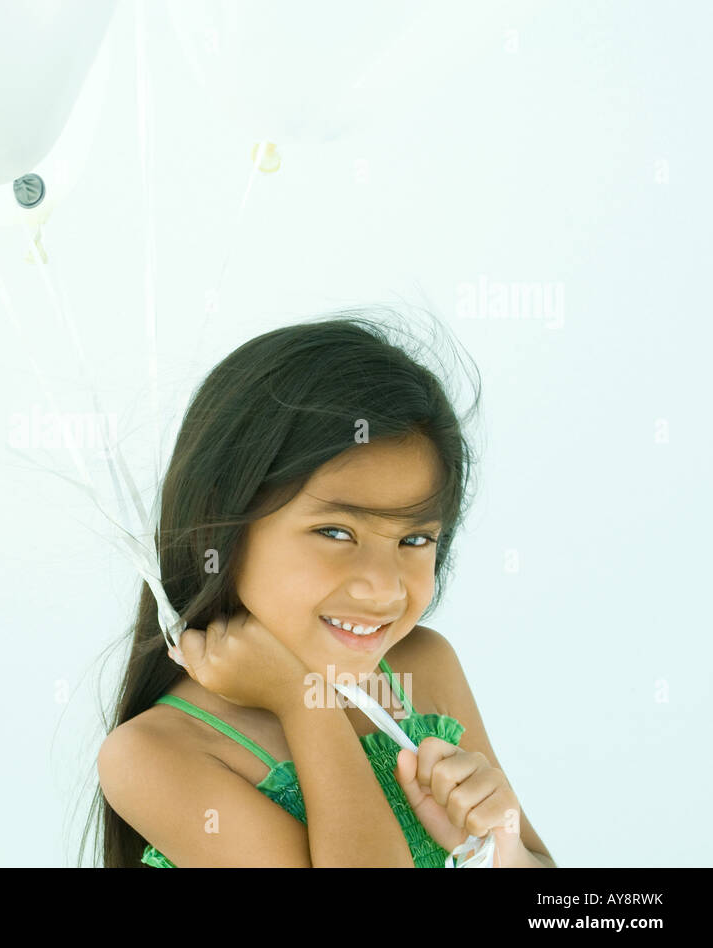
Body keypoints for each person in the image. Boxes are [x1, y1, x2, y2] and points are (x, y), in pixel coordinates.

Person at [82, 307, 556, 867]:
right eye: (336, 531)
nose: (383, 591)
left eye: (415, 540)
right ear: (223, 528)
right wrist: (304, 705)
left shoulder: (425, 671)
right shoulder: (155, 755)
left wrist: (500, 853)